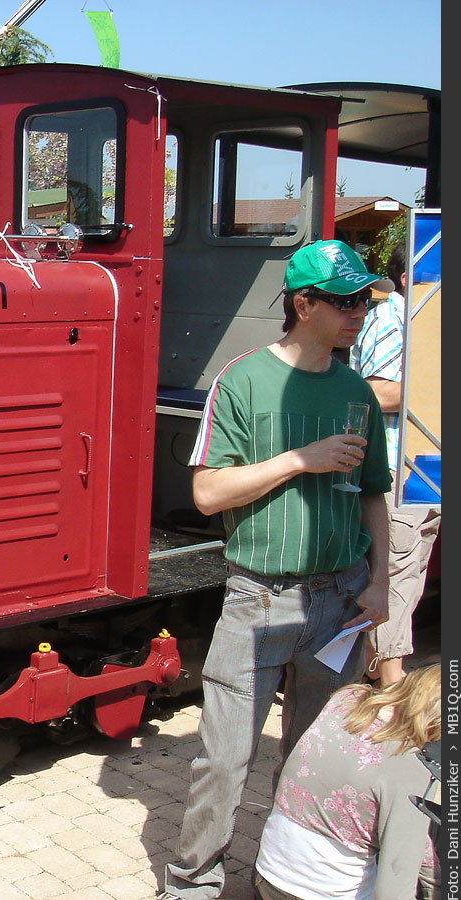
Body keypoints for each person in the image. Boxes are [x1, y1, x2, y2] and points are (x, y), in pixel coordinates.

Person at [161, 240, 394, 900]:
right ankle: (191, 887)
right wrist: (301, 458)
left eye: (366, 299)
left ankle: (287, 880)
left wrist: (378, 584)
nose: (361, 312)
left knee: (310, 761)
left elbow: (373, 492)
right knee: (224, 763)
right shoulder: (242, 380)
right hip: (257, 600)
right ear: (304, 304)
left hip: (340, 600)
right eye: (348, 301)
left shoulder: (355, 390)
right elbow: (208, 494)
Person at [252, 662, 440, 900]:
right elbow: (395, 886)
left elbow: (412, 833)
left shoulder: (347, 699)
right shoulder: (411, 767)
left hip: (268, 877)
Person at [351, 243, 441, 688]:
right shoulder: (392, 318)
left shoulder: (426, 321)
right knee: (397, 573)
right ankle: (390, 685)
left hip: (423, 469)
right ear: (409, 277)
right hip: (398, 470)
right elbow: (378, 393)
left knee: (412, 570)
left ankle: (375, 672)